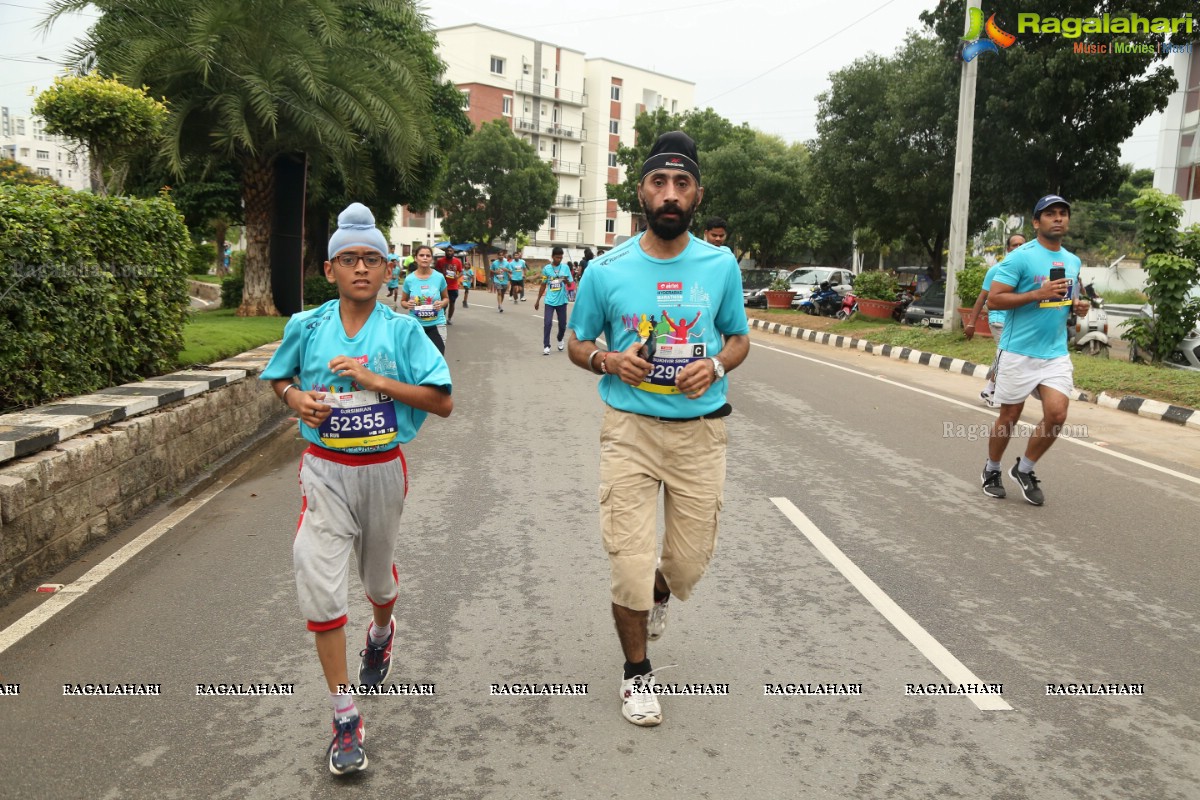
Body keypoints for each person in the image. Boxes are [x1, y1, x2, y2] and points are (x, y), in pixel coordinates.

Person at [260, 202, 452, 776]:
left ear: (388, 268)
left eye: (372, 258)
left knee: (375, 580)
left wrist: (375, 381)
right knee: (319, 582)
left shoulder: (403, 330)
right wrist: (296, 400)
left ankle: (382, 628)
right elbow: (278, 378)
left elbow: (443, 401)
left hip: (383, 470)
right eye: (349, 259)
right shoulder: (308, 326)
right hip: (324, 469)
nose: (361, 268)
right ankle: (345, 715)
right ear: (330, 270)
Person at [566, 131, 749, 727]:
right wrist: (608, 361)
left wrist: (717, 364)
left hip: (700, 434)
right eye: (658, 183)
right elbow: (577, 342)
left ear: (697, 196)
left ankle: (662, 593)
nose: (670, 195)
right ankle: (637, 675)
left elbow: (739, 338)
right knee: (628, 561)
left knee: (688, 563)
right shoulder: (606, 269)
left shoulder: (720, 266)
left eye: (682, 184)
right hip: (631, 431)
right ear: (639, 192)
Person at [981, 195, 1087, 505]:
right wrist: (1035, 293)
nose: (1058, 218)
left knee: (1057, 414)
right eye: (1050, 214)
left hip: (1054, 352)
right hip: (1017, 350)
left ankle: (1024, 469)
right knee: (1010, 416)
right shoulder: (1020, 258)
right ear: (1036, 222)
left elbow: (1064, 299)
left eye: (1063, 213)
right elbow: (995, 300)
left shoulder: (1072, 260)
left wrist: (1077, 306)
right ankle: (992, 469)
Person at [966, 232, 1027, 406]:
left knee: (1004, 355)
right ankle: (992, 391)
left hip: (1016, 321)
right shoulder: (997, 269)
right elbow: (982, 297)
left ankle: (989, 389)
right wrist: (971, 323)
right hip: (999, 320)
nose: (1018, 248)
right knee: (1007, 355)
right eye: (1014, 245)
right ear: (1008, 249)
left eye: (1021, 244)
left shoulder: (1026, 271)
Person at [401, 244, 450, 354]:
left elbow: (446, 298)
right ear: (415, 258)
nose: (425, 258)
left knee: (438, 359)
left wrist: (441, 304)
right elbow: (403, 301)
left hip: (437, 325)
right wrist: (408, 304)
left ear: (431, 259)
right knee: (417, 360)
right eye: (421, 255)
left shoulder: (439, 277)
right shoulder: (409, 279)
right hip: (416, 325)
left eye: (428, 255)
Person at [534, 246, 572, 355]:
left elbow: (570, 284)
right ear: (552, 257)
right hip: (549, 301)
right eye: (557, 257)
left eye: (560, 258)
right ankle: (546, 346)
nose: (559, 259)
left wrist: (566, 281)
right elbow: (543, 285)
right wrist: (537, 300)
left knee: (562, 325)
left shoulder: (565, 268)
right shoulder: (547, 269)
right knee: (547, 323)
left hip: (562, 301)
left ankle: (560, 338)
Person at [437, 246, 464, 325]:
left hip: (453, 286)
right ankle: (442, 316)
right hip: (442, 286)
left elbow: (461, 271)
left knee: (452, 302)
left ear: (453, 252)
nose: (449, 252)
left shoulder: (457, 261)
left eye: (451, 251)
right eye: (448, 251)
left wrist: (457, 276)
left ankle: (449, 318)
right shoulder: (440, 261)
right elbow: (436, 271)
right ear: (445, 252)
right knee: (443, 303)